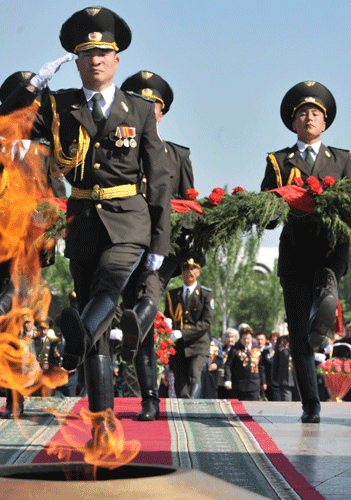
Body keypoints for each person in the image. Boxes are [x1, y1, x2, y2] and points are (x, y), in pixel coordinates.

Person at [0, 6, 170, 429]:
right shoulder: (59, 105)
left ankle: (72, 343)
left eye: (103, 53)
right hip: (83, 220)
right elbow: (4, 125)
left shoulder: (140, 110)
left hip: (129, 218)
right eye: (86, 53)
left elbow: (160, 178)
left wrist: (159, 246)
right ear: (75, 61)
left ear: (116, 60)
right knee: (98, 320)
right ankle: (101, 415)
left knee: (109, 283)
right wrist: (34, 86)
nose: (95, 60)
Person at [260, 81, 351, 423]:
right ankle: (310, 404)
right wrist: (272, 207)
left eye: (316, 113)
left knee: (328, 277)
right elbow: (267, 211)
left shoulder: (341, 159)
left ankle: (327, 293)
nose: (309, 117)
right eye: (303, 114)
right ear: (293, 122)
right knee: (298, 333)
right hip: (296, 252)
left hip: (330, 248)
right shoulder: (278, 160)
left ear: (325, 123)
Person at [118, 70, 197, 420]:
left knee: (147, 297)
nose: (149, 111)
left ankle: (135, 323)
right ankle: (149, 397)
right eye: (140, 105)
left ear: (162, 113)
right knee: (140, 328)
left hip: (161, 247)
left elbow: (189, 205)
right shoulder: (117, 150)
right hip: (123, 244)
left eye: (155, 106)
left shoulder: (177, 155)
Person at [0, 71, 67, 320]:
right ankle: (1, 314)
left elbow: (59, 200)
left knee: (21, 287)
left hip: (34, 237)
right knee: (2, 301)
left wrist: (47, 219)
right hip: (1, 239)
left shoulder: (49, 153)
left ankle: (3, 305)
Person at [165, 259, 214, 399]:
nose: (189, 272)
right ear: (181, 273)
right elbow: (167, 317)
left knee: (194, 373)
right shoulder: (173, 295)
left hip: (198, 344)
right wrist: (167, 326)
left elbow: (206, 322)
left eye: (193, 269)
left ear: (198, 272)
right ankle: (181, 412)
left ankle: (192, 406)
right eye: (186, 269)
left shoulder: (205, 294)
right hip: (179, 346)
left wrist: (182, 333)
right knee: (180, 383)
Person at [224, 325, 262, 401]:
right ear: (241, 338)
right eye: (244, 339)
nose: (246, 341)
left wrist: (264, 382)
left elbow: (261, 367)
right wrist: (228, 380)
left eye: (248, 339)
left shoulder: (257, 349)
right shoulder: (235, 349)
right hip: (239, 385)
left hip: (254, 385)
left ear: (251, 338)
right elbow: (228, 365)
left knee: (253, 409)